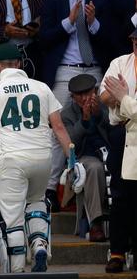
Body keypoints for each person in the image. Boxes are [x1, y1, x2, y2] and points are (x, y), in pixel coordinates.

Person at [0, 42, 72, 273]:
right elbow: (58, 127)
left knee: (12, 217)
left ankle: (17, 269)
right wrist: (72, 160)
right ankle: (38, 245)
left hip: (13, 160)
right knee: (36, 203)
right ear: (19, 63)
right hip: (43, 158)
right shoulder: (42, 88)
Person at [40, 0, 109, 205]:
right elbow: (44, 38)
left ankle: (105, 177)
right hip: (66, 70)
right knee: (56, 126)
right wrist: (68, 22)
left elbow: (112, 37)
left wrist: (93, 23)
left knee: (109, 117)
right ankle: (50, 189)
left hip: (94, 68)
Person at [99, 28, 137, 273]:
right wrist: (118, 97)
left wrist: (123, 96)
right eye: (135, 39)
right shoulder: (120, 63)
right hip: (122, 131)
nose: (136, 43)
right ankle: (117, 252)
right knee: (120, 197)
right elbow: (103, 96)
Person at [61, 74, 109, 242]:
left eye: (87, 93)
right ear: (72, 97)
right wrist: (85, 119)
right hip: (83, 157)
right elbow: (70, 142)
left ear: (95, 91)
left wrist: (98, 115)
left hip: (108, 152)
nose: (84, 98)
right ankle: (96, 223)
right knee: (95, 168)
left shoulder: (105, 105)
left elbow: (115, 131)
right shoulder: (66, 114)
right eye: (78, 95)